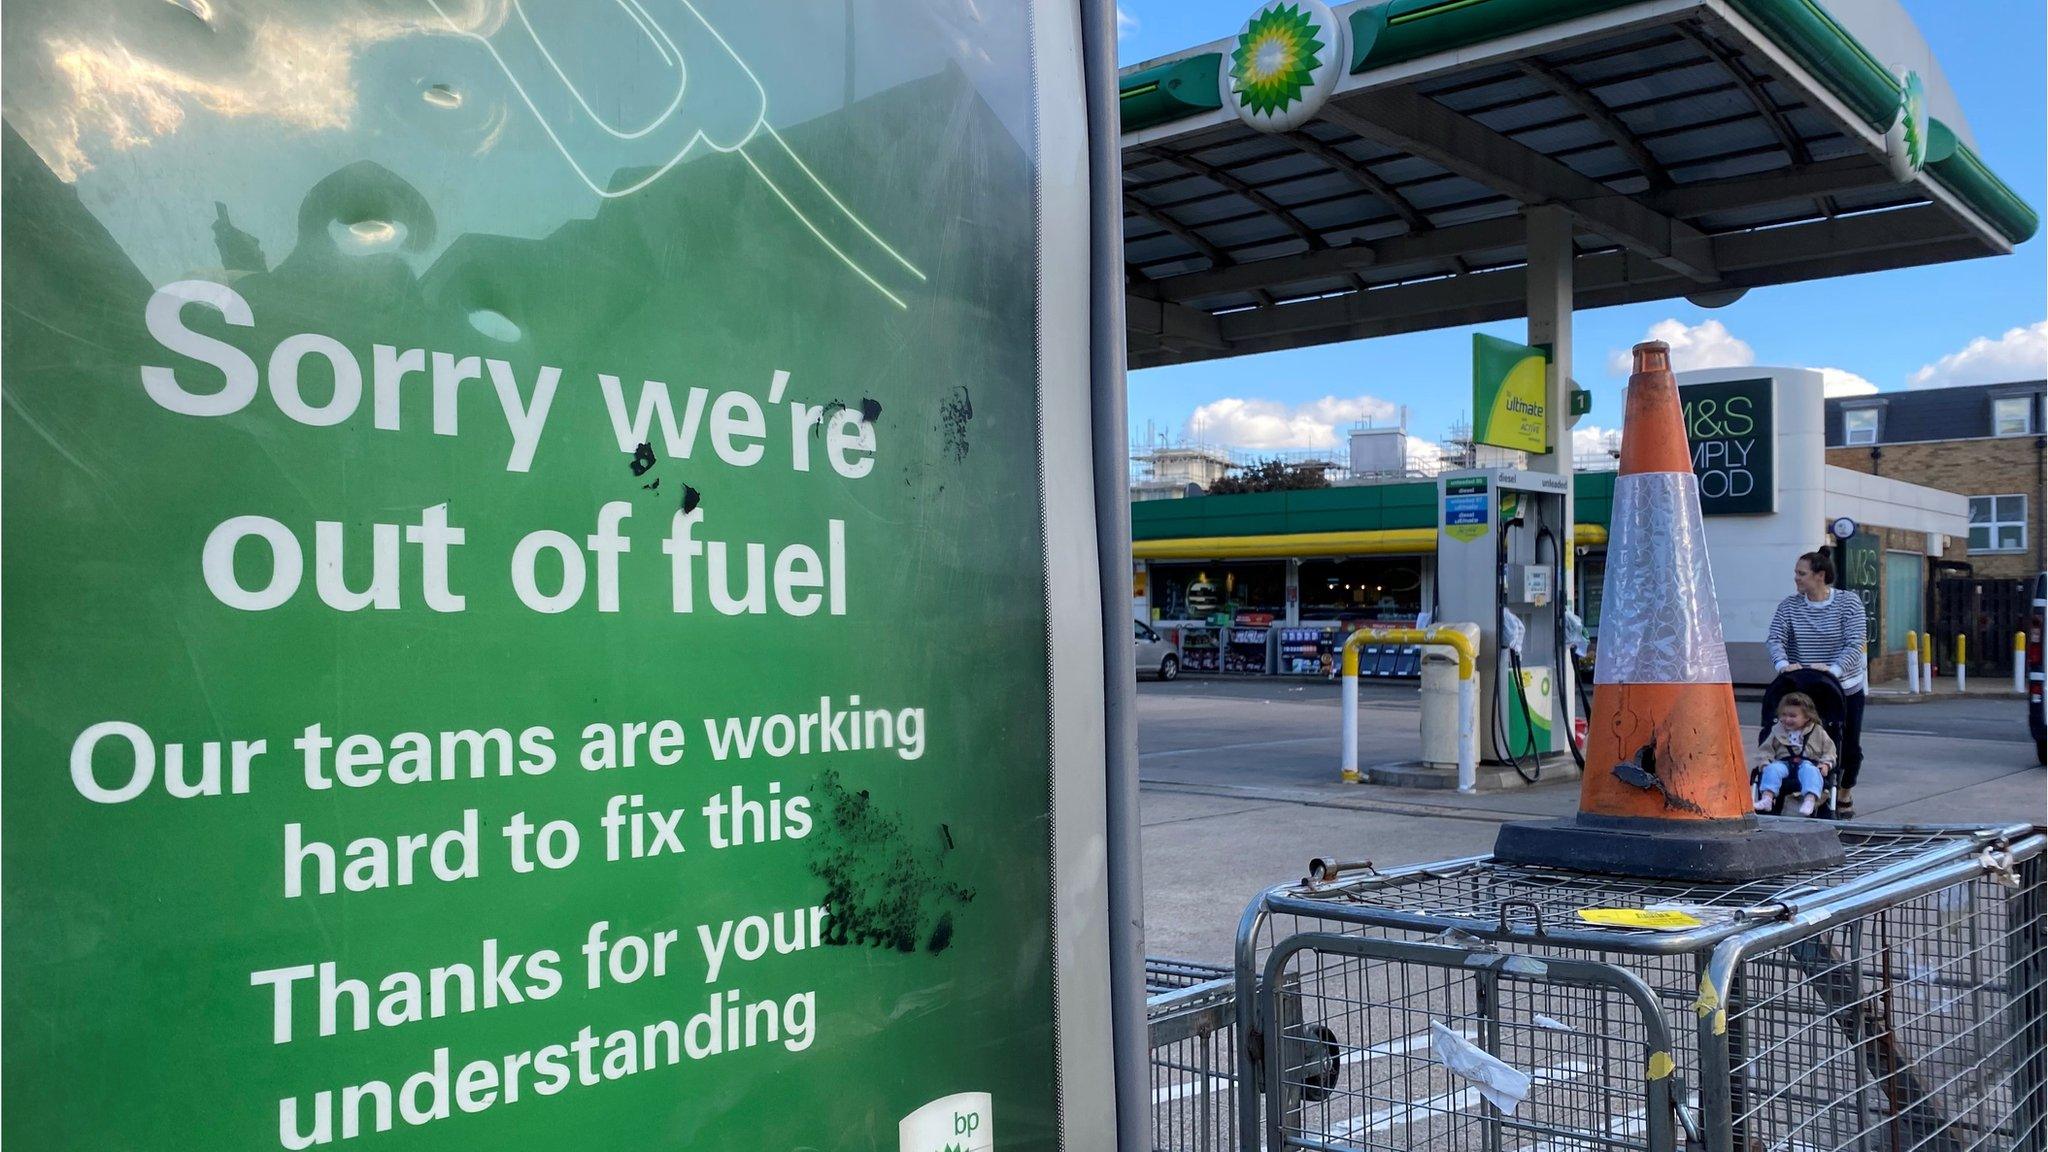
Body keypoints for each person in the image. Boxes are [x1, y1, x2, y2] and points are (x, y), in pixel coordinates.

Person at [1765, 550, 1867, 816]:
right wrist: (1782, 664)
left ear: (1820, 576)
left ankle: (1844, 790)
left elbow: (1855, 643)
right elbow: (1776, 638)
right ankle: (1803, 789)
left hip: (1843, 686)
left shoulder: (1849, 603)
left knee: (1848, 744)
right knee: (1799, 739)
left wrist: (1833, 669)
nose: (1796, 578)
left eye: (1802, 573)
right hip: (1804, 686)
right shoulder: (1790, 606)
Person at [1755, 692, 1837, 816]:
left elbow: (1830, 750)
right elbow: (1765, 750)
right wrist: (1765, 763)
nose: (1787, 719)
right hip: (1783, 762)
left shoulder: (1817, 731)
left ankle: (1810, 799)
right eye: (1784, 715)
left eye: (1793, 716)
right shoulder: (1777, 730)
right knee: (1772, 769)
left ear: (1807, 717)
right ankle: (1767, 797)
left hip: (1808, 762)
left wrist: (1825, 764)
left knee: (1811, 771)